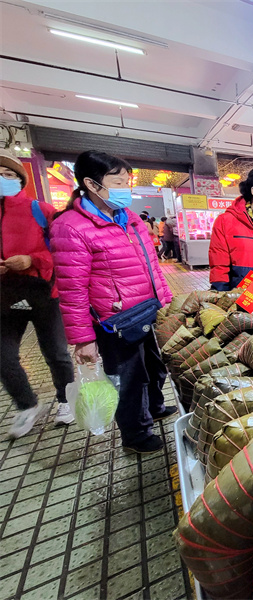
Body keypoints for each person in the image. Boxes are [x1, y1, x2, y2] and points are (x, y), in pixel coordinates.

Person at [50, 150, 176, 454]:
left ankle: (155, 407)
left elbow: (152, 267)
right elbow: (72, 290)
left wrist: (167, 301)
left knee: (156, 369)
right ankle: (135, 435)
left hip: (147, 310)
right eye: (118, 181)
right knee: (129, 379)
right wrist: (83, 340)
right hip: (114, 321)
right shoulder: (70, 227)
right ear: (92, 184)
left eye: (127, 181)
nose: (126, 188)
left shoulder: (130, 220)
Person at [0, 149, 75, 438]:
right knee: (4, 357)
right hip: (5, 297)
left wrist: (32, 260)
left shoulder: (39, 210)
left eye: (9, 176)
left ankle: (66, 399)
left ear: (20, 180)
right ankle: (26, 405)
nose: (4, 180)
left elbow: (62, 250)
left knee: (56, 352)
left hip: (43, 292)